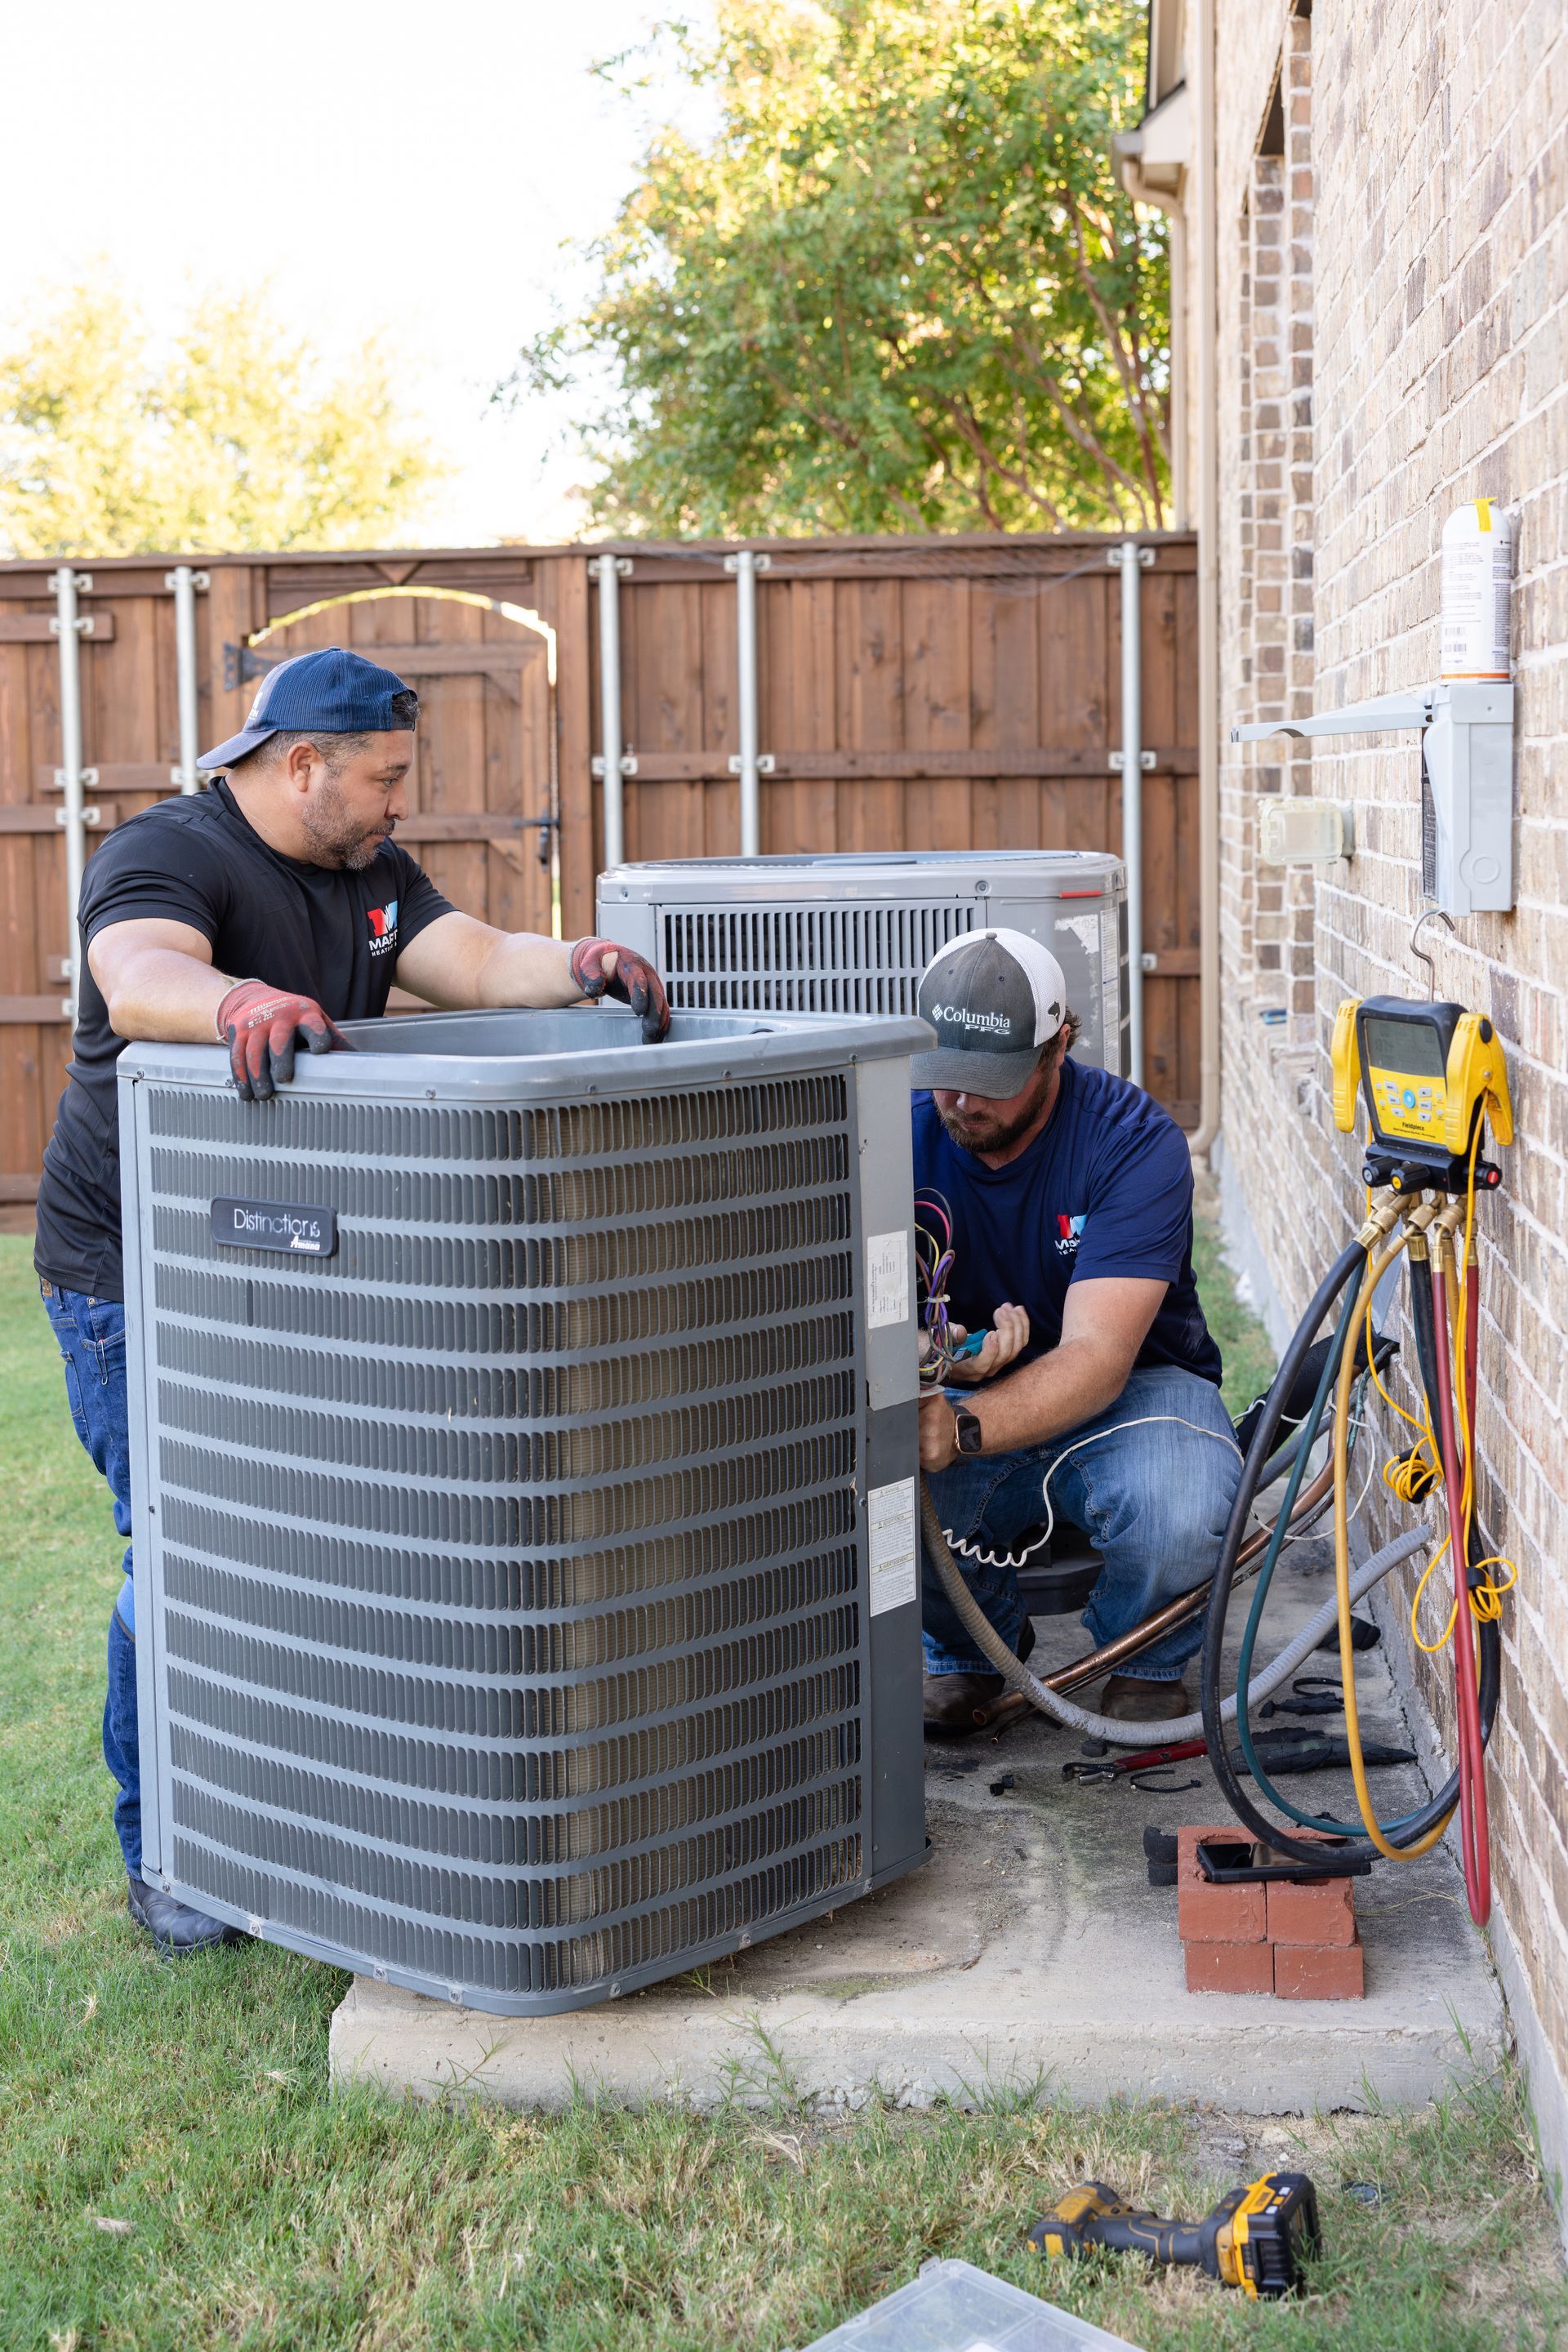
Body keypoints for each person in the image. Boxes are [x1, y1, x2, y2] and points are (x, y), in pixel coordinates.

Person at [33, 647, 670, 1953]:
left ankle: (315, 1814)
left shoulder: (370, 875)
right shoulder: (171, 851)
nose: (399, 805)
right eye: (381, 778)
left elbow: (481, 961)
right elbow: (138, 972)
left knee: (326, 1551)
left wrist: (583, 963)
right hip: (136, 1284)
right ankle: (170, 1854)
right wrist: (239, 1001)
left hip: (290, 1273)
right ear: (301, 763)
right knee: (188, 1555)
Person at [911, 927, 1241, 1734]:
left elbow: (1096, 1357)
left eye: (988, 1082)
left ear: (1059, 1045)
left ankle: (1145, 1657)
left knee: (1181, 1502)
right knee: (873, 1484)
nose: (961, 1102)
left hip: (1133, 1389)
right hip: (959, 1386)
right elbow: (839, 1314)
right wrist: (935, 1357)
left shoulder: (1132, 1141)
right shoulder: (893, 1133)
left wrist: (960, 1427)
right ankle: (968, 1657)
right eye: (946, 1077)